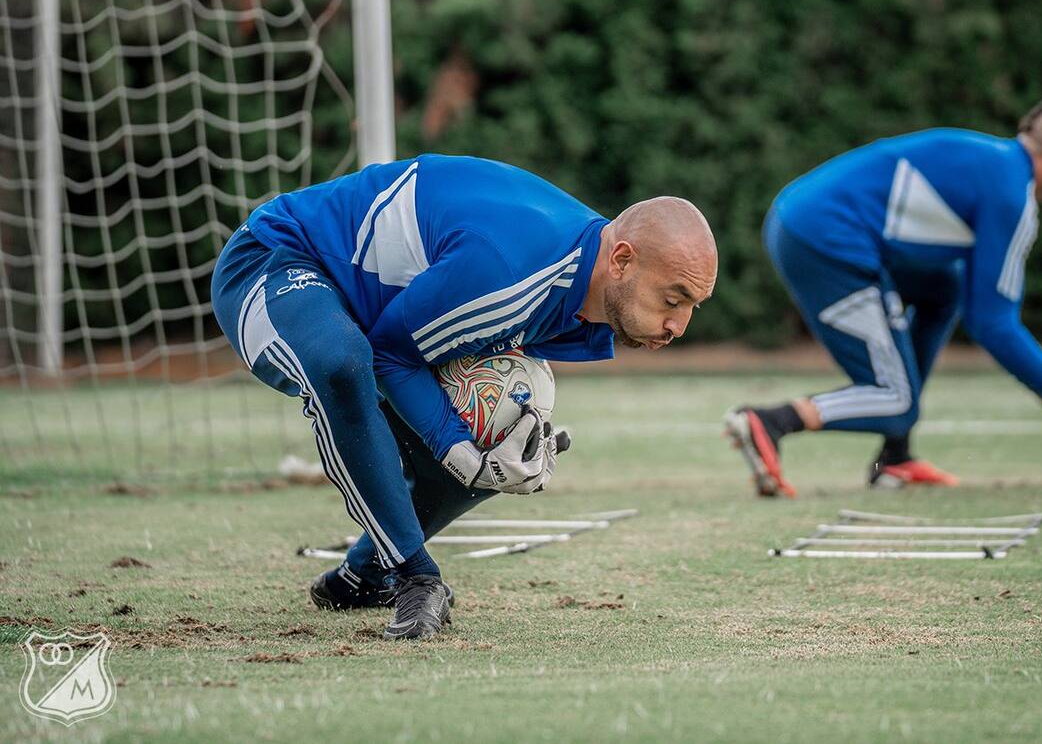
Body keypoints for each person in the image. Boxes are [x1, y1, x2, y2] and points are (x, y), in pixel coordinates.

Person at [211, 154, 717, 637]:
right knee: (344, 368)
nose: (678, 325)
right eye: (672, 299)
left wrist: (477, 451)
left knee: (497, 445)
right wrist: (454, 445)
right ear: (622, 260)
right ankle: (413, 576)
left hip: (370, 318)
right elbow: (390, 354)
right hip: (274, 262)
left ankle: (358, 578)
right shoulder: (512, 272)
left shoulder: (575, 272)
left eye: (692, 305)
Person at [725, 99, 1042, 496]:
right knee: (897, 400)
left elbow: (974, 299)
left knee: (945, 287)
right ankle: (770, 422)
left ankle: (895, 458)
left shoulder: (996, 164)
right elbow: (993, 323)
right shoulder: (1010, 194)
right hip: (823, 242)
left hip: (805, 223)